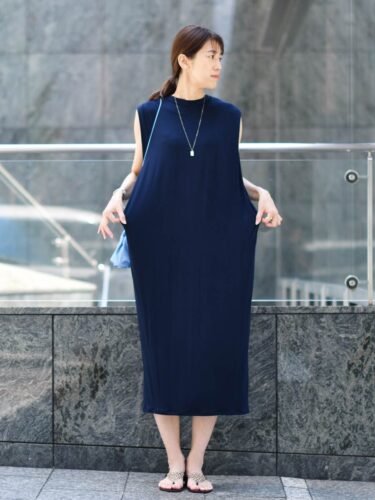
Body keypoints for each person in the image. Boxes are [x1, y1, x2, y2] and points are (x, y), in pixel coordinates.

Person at [97, 25, 283, 494]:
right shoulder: (149, 114)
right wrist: (116, 195)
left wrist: (262, 193)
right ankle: (174, 461)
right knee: (164, 348)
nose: (218, 64)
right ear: (184, 60)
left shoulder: (229, 117)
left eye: (221, 56)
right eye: (210, 56)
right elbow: (139, 171)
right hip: (162, 247)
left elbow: (229, 176)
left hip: (217, 248)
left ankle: (197, 463)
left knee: (213, 347)